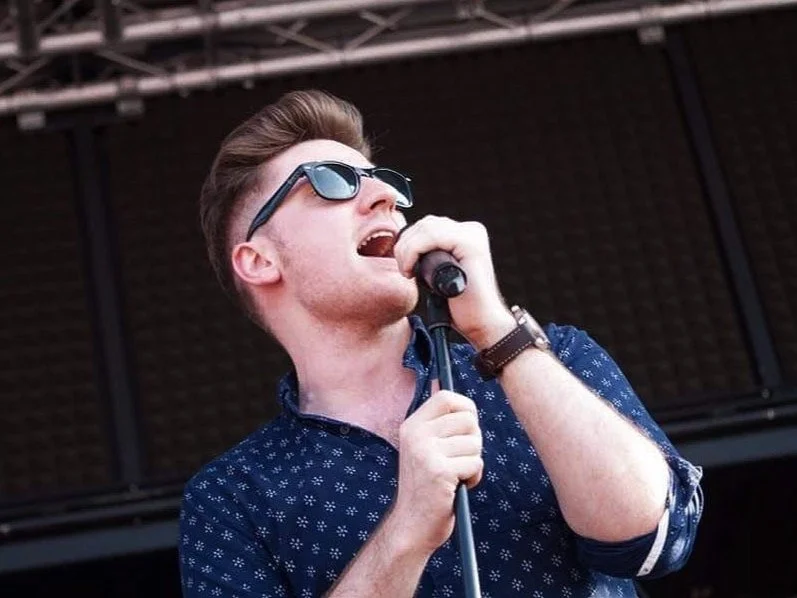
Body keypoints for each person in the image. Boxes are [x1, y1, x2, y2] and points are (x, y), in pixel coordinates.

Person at [179, 89, 703, 597]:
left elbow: (655, 540)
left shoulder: (552, 358)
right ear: (259, 260)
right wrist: (407, 531)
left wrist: (497, 333)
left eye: (383, 181)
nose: (384, 197)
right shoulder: (233, 497)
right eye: (331, 182)